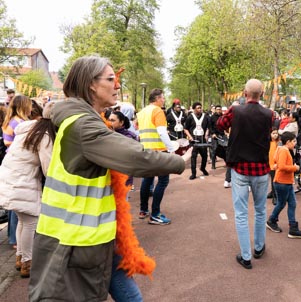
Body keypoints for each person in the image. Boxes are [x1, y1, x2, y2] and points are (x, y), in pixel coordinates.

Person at [29, 55, 190, 302]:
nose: (117, 85)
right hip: (77, 242)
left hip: (96, 236)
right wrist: (179, 161)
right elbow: (137, 158)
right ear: (91, 84)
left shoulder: (83, 120)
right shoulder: (84, 126)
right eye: (111, 79)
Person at [217, 79, 273, 269]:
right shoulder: (270, 114)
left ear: (244, 93)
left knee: (241, 213)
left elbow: (219, 124)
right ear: (262, 94)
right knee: (260, 210)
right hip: (261, 168)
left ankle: (246, 256)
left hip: (240, 168)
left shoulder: (236, 110)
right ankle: (259, 248)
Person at [0, 101, 56, 278]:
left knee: (23, 220)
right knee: (31, 220)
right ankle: (27, 262)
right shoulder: (45, 135)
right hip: (22, 180)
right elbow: (48, 167)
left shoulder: (31, 129)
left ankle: (20, 258)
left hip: (11, 176)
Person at [137, 88, 180, 225]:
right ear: (156, 98)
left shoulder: (142, 112)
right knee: (162, 181)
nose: (164, 100)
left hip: (146, 151)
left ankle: (143, 210)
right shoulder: (158, 111)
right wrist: (171, 148)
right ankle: (155, 214)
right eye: (162, 98)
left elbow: (139, 131)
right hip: (159, 152)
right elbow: (161, 132)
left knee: (147, 180)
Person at [2, 95, 32, 249]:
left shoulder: (11, 120)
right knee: (18, 208)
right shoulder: (19, 123)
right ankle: (15, 240)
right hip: (19, 167)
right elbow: (10, 142)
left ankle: (14, 239)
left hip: (12, 165)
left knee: (15, 208)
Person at [266, 132, 301, 238]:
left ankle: (291, 227)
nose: (295, 143)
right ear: (288, 142)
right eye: (294, 141)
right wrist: (295, 168)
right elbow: (282, 166)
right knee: (282, 203)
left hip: (284, 182)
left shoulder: (281, 149)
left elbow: (276, 162)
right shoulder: (284, 150)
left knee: (291, 203)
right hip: (282, 182)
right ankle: (274, 221)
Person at [184, 102, 211, 180]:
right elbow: (185, 129)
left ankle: (202, 168)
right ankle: (193, 173)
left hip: (203, 140)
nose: (200, 109)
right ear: (194, 109)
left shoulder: (205, 116)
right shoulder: (190, 117)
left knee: (205, 156)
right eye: (198, 108)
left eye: (200, 107)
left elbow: (209, 127)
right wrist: (190, 137)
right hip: (194, 140)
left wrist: (206, 133)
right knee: (193, 157)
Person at [209, 104, 226, 170]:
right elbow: (210, 127)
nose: (219, 111)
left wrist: (226, 132)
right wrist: (212, 133)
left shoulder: (223, 116)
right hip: (215, 135)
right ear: (215, 110)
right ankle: (213, 165)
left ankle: (226, 162)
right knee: (214, 149)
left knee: (225, 149)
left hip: (222, 135)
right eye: (218, 109)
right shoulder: (212, 117)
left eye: (220, 109)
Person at [267, 127, 280, 202]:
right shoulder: (268, 142)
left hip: (275, 164)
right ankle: (273, 192)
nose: (275, 135)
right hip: (269, 163)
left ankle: (275, 195)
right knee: (272, 179)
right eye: (273, 133)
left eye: (276, 133)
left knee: (274, 180)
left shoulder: (279, 142)